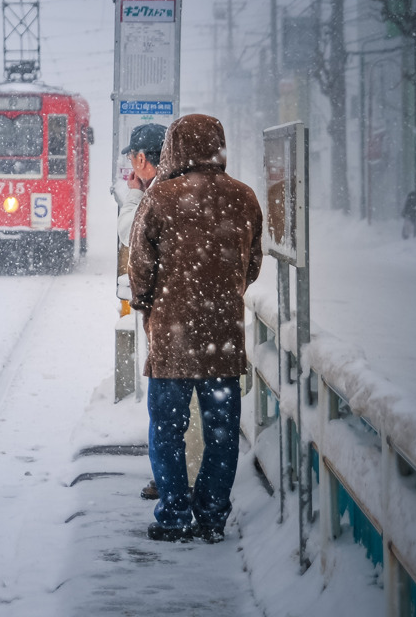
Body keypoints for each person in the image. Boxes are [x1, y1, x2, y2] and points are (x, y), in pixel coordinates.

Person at [128, 114, 263, 544]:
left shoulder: (160, 199)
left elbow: (139, 270)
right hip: (223, 340)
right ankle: (210, 516)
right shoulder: (244, 197)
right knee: (221, 433)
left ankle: (173, 515)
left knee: (167, 428)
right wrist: (223, 290)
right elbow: (253, 263)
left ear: (174, 147)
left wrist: (154, 305)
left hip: (171, 341)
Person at [116, 122, 167, 502]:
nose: (132, 170)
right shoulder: (217, 190)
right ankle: (210, 509)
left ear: (143, 159)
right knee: (215, 422)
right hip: (215, 328)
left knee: (166, 417)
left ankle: (172, 495)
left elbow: (131, 240)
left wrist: (132, 197)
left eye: (134, 160)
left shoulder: (156, 196)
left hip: (170, 327)